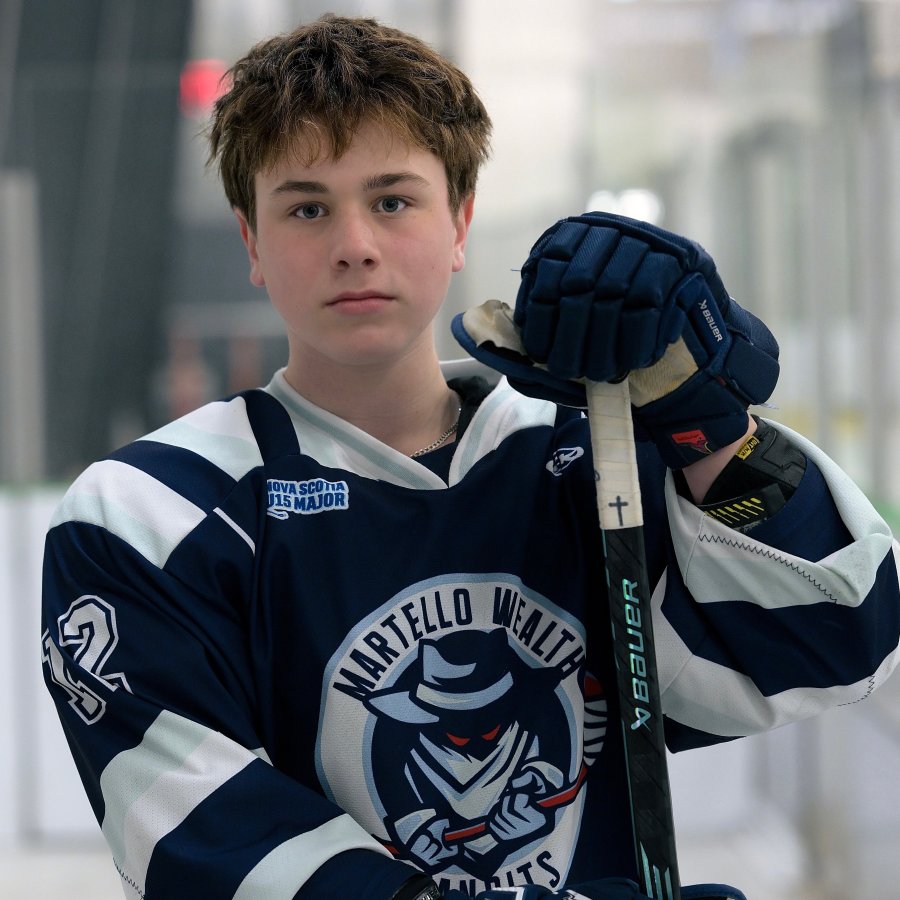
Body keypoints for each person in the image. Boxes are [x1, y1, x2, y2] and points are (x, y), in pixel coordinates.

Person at [40, 13, 900, 900]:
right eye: (307, 208)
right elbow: (201, 841)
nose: (354, 245)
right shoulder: (150, 513)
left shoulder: (588, 454)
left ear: (460, 220)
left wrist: (706, 430)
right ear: (252, 241)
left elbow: (839, 648)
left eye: (392, 201)